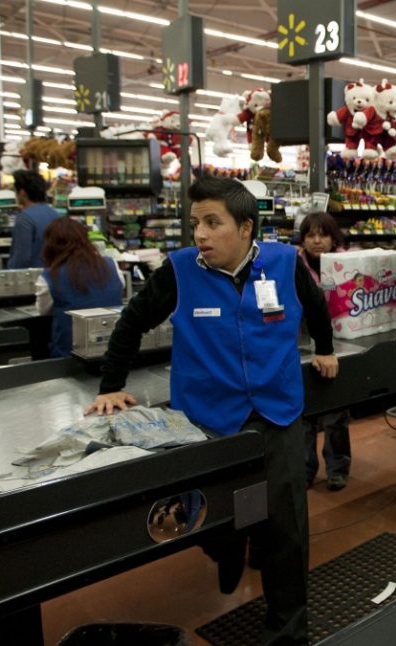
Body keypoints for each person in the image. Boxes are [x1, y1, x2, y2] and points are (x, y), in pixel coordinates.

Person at [85, 175, 339, 644]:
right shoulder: (180, 270)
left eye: (212, 223)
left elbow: (317, 305)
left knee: (286, 529)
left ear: (246, 228)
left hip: (276, 413)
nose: (199, 234)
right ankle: (227, 547)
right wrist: (111, 386)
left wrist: (325, 347)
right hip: (208, 421)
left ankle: (287, 632)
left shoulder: (285, 262)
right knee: (212, 520)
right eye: (195, 222)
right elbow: (132, 322)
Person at [296, 211, 351, 491]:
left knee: (335, 412)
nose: (317, 240)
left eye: (323, 234)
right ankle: (305, 469)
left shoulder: (348, 263)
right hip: (303, 344)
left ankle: (337, 467)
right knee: (303, 414)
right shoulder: (294, 266)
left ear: (334, 238)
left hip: (340, 343)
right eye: (310, 235)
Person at [36, 218, 124, 357]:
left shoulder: (48, 276)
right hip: (114, 350)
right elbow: (119, 289)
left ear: (50, 245)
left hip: (69, 355)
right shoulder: (112, 265)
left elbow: (42, 312)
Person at [8, 170, 62, 268]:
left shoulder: (25, 218)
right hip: (54, 274)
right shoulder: (56, 214)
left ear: (22, 192)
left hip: (34, 278)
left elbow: (21, 258)